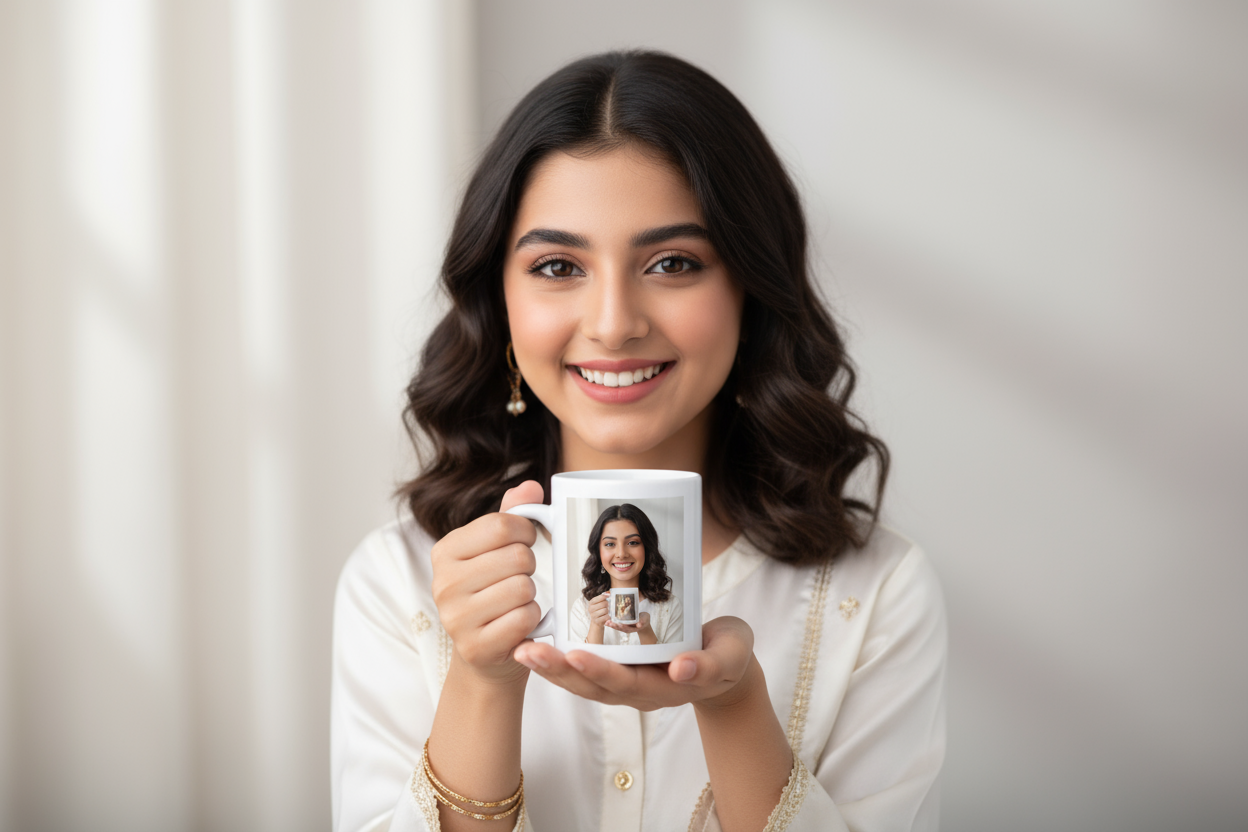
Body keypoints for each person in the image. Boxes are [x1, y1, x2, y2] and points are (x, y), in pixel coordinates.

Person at [331, 50, 946, 832]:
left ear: (750, 294)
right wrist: (481, 681)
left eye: (672, 263)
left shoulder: (878, 591)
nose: (615, 322)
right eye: (558, 266)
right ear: (503, 306)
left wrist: (732, 706)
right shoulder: (401, 584)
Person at [570, 503, 684, 646]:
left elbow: (672, 667)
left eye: (632, 542)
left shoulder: (670, 607)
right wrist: (596, 626)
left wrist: (645, 631)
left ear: (647, 548)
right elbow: (580, 667)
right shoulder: (582, 608)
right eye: (610, 544)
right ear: (598, 552)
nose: (621, 554)